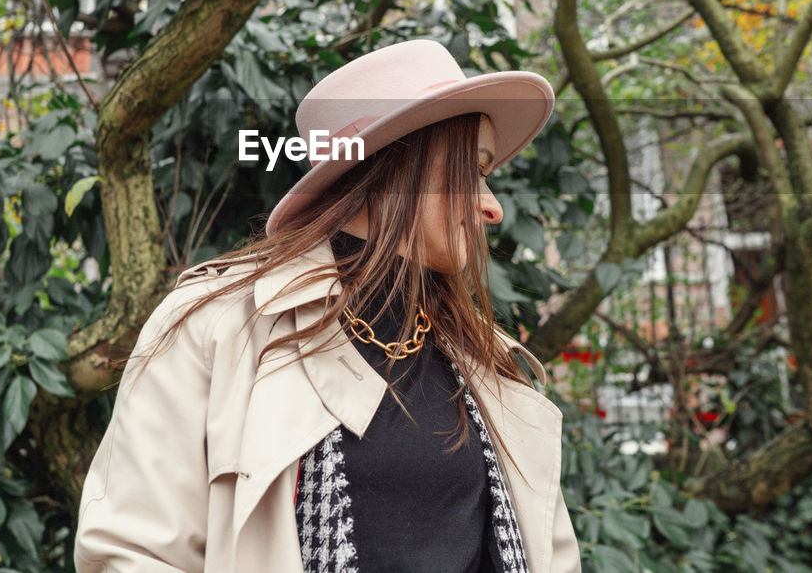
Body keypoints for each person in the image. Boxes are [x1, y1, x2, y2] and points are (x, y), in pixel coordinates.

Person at [74, 39, 580, 573]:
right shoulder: (218, 327)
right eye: (473, 170)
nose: (493, 206)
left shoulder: (487, 362)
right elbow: (132, 553)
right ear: (403, 163)